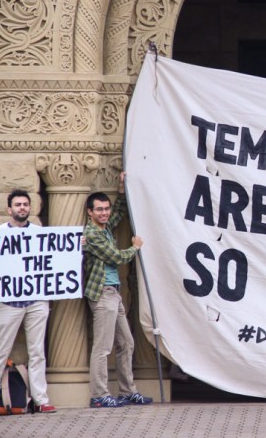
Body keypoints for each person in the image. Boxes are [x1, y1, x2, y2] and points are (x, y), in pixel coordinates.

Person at [84, 172, 152, 408]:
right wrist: (135, 248)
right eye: (99, 209)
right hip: (103, 293)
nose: (104, 213)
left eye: (106, 208)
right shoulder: (92, 234)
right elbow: (116, 257)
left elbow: (119, 214)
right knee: (103, 348)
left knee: (127, 343)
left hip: (114, 293)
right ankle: (99, 395)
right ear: (89, 212)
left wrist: (121, 190)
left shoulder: (104, 228)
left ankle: (127, 391)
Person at [0, 190, 57, 413]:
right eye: (18, 204)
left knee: (37, 351)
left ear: (30, 208)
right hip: (10, 300)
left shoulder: (40, 233)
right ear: (9, 209)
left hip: (36, 300)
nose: (22, 207)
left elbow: (56, 256)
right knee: (0, 350)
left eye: (25, 204)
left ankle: (41, 400)